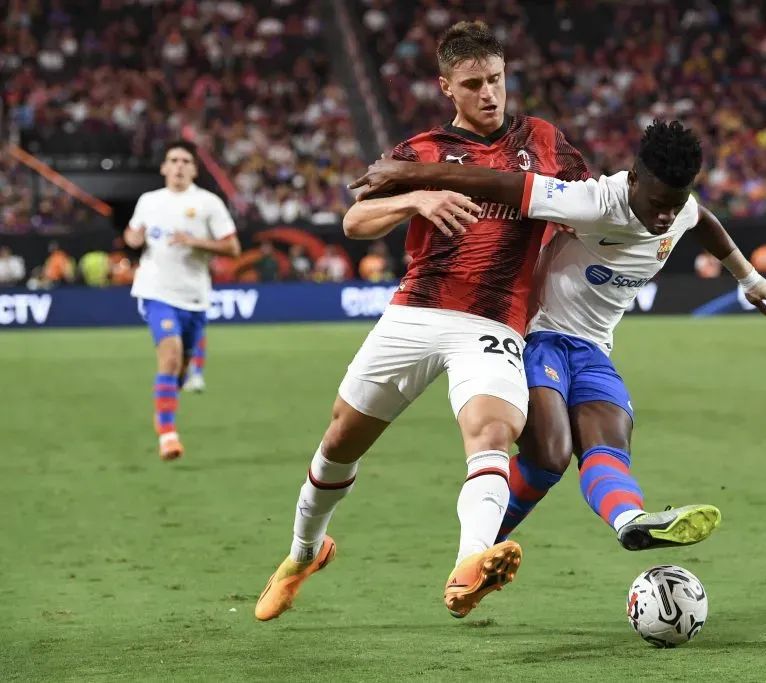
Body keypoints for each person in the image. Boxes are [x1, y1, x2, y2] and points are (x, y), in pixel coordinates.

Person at [254, 20, 589, 623]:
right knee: (340, 440)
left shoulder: (542, 140)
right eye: (473, 84)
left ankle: (468, 566)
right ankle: (304, 553)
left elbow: (589, 204)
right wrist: (417, 198)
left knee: (491, 433)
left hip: (494, 320)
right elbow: (355, 221)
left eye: (496, 80)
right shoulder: (422, 151)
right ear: (446, 87)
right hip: (417, 310)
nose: (489, 94)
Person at [349, 119, 766, 551]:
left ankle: (630, 521)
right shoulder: (592, 202)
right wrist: (409, 173)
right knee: (549, 455)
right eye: (657, 204)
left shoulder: (679, 208)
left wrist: (750, 280)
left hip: (593, 348)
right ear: (634, 179)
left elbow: (702, 221)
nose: (666, 217)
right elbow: (498, 183)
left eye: (674, 204)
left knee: (609, 442)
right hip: (536, 336)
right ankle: (478, 550)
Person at [124, 140, 241, 460]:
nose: (178, 166)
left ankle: (165, 404)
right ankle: (168, 435)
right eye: (173, 160)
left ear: (194, 169)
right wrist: (133, 238)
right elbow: (132, 234)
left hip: (194, 297)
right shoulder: (149, 201)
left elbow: (233, 248)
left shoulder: (209, 204)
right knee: (170, 355)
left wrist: (195, 241)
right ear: (164, 167)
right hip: (156, 291)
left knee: (181, 367)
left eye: (185, 161)